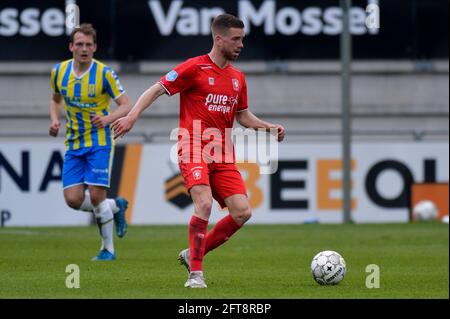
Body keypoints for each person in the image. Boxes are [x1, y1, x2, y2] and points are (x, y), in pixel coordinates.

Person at [112, 14, 285, 287]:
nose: (241, 45)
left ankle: (193, 253)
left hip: (222, 153)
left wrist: (267, 127)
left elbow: (243, 116)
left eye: (243, 39)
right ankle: (196, 275)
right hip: (192, 146)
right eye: (236, 39)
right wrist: (132, 116)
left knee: (242, 212)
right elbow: (156, 90)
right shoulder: (194, 68)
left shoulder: (238, 78)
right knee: (203, 203)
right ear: (219, 39)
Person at [49, 23, 132, 261]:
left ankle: (108, 250)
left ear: (95, 47)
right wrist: (55, 120)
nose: (83, 49)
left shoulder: (104, 73)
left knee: (96, 197)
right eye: (79, 44)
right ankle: (116, 206)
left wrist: (107, 119)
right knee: (73, 200)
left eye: (88, 45)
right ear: (71, 47)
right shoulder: (59, 71)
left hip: (100, 140)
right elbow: (55, 100)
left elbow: (127, 104)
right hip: (74, 142)